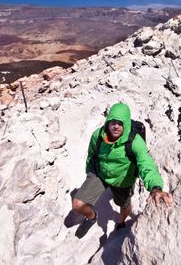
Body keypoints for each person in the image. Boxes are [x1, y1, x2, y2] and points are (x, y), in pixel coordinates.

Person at [71, 102, 173, 238]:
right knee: (78, 204)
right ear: (107, 122)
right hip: (100, 174)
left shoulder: (134, 141)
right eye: (113, 121)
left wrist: (155, 188)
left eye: (120, 123)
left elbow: (146, 163)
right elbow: (91, 155)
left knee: (123, 205)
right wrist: (89, 175)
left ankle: (121, 222)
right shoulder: (98, 136)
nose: (116, 126)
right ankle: (92, 217)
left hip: (123, 180)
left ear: (126, 124)